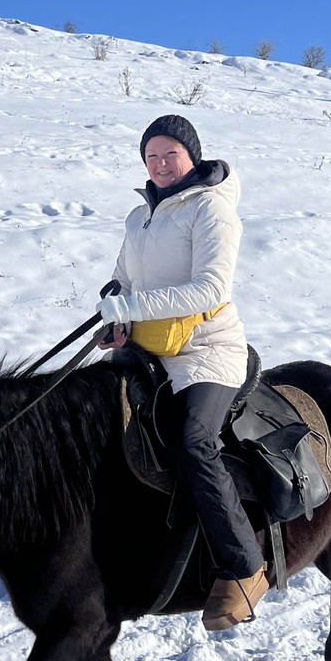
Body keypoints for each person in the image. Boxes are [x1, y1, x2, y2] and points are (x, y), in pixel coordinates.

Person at [97, 114, 268, 630]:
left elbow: (210, 289)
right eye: (151, 156)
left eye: (170, 153)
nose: (160, 164)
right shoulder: (138, 216)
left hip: (207, 348)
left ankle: (244, 564)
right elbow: (122, 277)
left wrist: (134, 308)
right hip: (149, 348)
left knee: (193, 440)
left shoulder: (212, 209)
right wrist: (114, 306)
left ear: (192, 156)